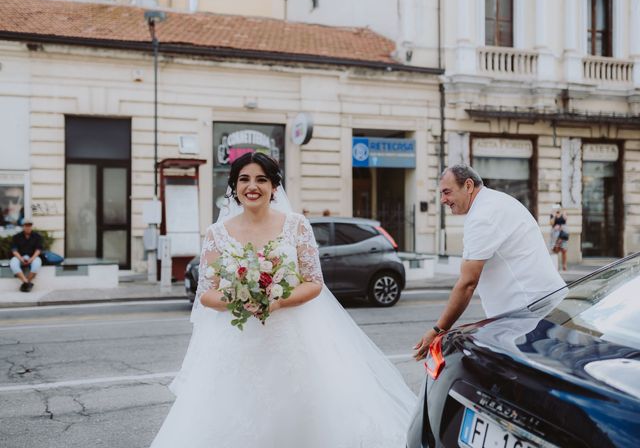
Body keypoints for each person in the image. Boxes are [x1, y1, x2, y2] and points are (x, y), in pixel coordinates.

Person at [151, 152, 416, 447]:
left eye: (261, 179)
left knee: (299, 412)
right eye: (245, 179)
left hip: (290, 337)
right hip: (237, 340)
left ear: (274, 187)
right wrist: (239, 298)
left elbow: (314, 283)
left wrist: (276, 301)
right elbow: (207, 294)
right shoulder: (216, 234)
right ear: (234, 187)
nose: (253, 186)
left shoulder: (296, 225)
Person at [414, 164, 565, 361]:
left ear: (468, 186)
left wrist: (438, 329)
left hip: (531, 315)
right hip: (537, 311)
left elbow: (468, 283)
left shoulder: (483, 216)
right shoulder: (493, 202)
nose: (443, 200)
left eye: (447, 192)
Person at [10, 220, 43, 293]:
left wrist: (32, 259)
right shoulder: (16, 237)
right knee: (13, 264)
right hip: (20, 256)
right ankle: (27, 283)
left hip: (32, 256)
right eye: (26, 226)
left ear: (31, 226)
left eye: (29, 226)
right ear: (23, 226)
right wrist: (21, 259)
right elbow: (14, 250)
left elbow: (38, 250)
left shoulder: (37, 236)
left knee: (37, 264)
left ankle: (25, 284)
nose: (28, 227)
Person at [549, 205, 569, 271]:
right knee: (555, 249)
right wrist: (554, 215)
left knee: (564, 250)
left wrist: (563, 213)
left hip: (563, 234)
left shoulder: (563, 213)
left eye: (558, 208)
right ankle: (556, 265)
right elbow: (551, 223)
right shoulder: (552, 214)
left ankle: (564, 266)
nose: (557, 209)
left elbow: (566, 220)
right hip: (555, 235)